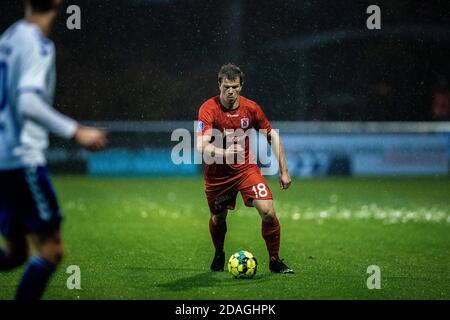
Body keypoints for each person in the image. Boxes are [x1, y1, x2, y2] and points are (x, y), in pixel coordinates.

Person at [0, 0, 107, 300]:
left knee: (17, 253)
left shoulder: (8, 38)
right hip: (21, 161)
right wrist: (77, 131)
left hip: (3, 158)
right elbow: (28, 102)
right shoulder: (38, 45)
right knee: (51, 251)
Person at [196, 63, 294, 273]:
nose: (230, 92)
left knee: (268, 212)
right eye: (226, 87)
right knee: (218, 219)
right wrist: (225, 154)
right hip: (217, 176)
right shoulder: (208, 108)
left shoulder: (251, 108)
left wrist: (284, 170)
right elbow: (201, 145)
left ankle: (275, 261)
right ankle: (219, 252)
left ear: (241, 86)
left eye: (235, 87)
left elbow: (272, 135)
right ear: (219, 85)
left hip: (245, 170)